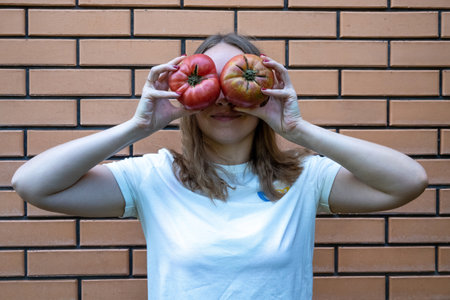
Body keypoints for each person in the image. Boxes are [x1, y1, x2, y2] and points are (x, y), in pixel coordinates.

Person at [12, 33, 428, 299]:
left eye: (239, 78)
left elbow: (408, 182)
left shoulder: (305, 177)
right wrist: (137, 126)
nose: (224, 98)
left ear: (265, 89)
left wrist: (299, 129)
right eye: (208, 79)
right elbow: (33, 185)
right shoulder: (152, 177)